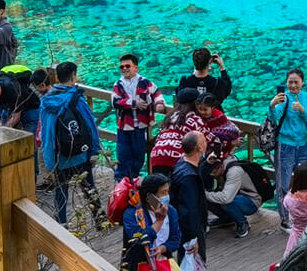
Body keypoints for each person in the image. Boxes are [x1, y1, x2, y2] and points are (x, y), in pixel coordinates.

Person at [168, 131, 226, 271]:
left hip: (182, 228)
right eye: (204, 141)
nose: (207, 142)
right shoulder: (189, 179)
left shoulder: (182, 166)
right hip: (190, 230)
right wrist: (193, 238)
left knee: (186, 267)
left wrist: (206, 164)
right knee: (194, 269)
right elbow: (190, 210)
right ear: (199, 148)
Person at [38, 61, 103, 224]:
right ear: (73, 75)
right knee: (89, 188)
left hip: (61, 155)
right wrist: (94, 150)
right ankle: (101, 221)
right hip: (80, 153)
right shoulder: (76, 98)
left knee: (61, 191)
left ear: (57, 77)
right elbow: (90, 125)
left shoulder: (46, 102)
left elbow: (46, 132)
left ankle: (61, 225)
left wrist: (50, 158)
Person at [265, 68, 307, 230]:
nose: (293, 85)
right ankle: (285, 219)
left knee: (304, 182)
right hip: (285, 146)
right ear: (286, 83)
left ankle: (301, 215)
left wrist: (302, 110)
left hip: (302, 145)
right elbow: (274, 118)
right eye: (290, 82)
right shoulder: (283, 98)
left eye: (296, 82)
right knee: (284, 183)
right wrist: (272, 105)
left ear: (302, 82)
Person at [110, 53, 161, 182]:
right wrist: (133, 104)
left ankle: (133, 179)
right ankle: (122, 181)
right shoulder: (118, 84)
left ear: (135, 68)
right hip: (124, 126)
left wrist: (159, 104)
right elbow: (114, 102)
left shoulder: (145, 82)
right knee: (123, 154)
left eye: (128, 66)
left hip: (141, 126)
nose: (124, 69)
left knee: (139, 156)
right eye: (121, 67)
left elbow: (156, 93)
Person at [207, 152, 262, 238]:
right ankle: (227, 219)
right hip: (238, 195)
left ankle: (243, 223)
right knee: (211, 198)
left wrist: (205, 194)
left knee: (226, 201)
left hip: (252, 200)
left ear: (220, 167)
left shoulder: (234, 172)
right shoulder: (223, 168)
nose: (212, 176)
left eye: (213, 173)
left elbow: (226, 198)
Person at [150, 89, 205, 172]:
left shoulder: (169, 117)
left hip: (157, 156)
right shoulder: (195, 119)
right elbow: (210, 139)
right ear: (196, 104)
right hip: (177, 160)